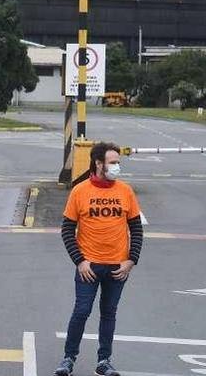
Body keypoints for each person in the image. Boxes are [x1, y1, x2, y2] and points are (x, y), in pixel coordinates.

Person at [54, 142, 144, 376]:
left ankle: (104, 361)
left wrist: (130, 261)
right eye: (113, 162)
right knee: (82, 311)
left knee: (109, 313)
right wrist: (80, 261)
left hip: (117, 267)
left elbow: (136, 229)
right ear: (98, 163)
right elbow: (67, 230)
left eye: (118, 162)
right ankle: (68, 359)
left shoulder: (125, 191)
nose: (117, 167)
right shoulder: (80, 191)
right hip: (89, 267)